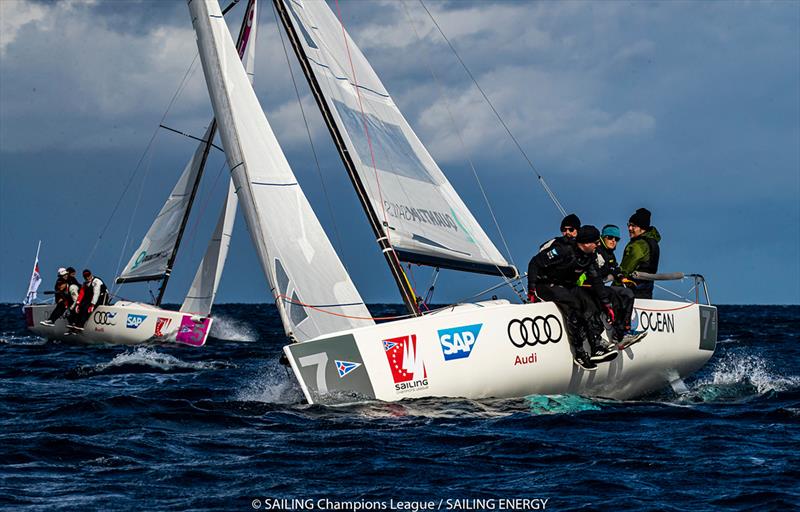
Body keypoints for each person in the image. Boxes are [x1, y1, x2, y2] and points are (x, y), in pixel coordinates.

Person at [527, 225, 618, 370]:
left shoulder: (589, 255)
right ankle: (579, 353)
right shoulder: (563, 250)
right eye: (596, 242)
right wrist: (531, 288)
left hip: (566, 285)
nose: (599, 244)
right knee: (574, 306)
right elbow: (535, 263)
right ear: (586, 243)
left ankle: (596, 347)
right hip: (545, 284)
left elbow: (596, 280)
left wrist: (607, 304)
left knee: (589, 303)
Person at [597, 225, 642, 346]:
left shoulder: (609, 253)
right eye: (610, 237)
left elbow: (615, 268)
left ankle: (624, 331)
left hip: (601, 287)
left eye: (616, 239)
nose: (613, 241)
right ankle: (616, 335)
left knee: (628, 294)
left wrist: (622, 278)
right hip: (590, 288)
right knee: (615, 298)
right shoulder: (596, 250)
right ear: (603, 237)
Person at [619, 208, 662, 299]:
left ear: (642, 227)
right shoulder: (653, 242)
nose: (629, 228)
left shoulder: (638, 245)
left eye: (633, 226)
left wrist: (615, 285)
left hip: (631, 290)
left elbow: (626, 269)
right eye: (629, 225)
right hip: (647, 291)